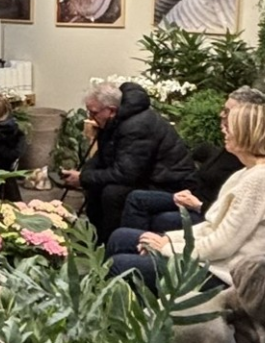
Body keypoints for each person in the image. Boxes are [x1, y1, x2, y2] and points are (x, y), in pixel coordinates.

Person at [106, 100, 265, 290]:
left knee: (119, 265)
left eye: (230, 127)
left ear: (247, 133)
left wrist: (167, 248)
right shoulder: (248, 172)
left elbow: (222, 245)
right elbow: (211, 227)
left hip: (220, 272)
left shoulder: (261, 181)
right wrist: (168, 239)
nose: (224, 130)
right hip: (209, 258)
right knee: (121, 237)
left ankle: (128, 306)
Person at [121, 86, 265, 234]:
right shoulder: (230, 149)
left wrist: (198, 205)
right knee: (136, 198)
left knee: (157, 221)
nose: (221, 114)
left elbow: (228, 219)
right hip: (193, 198)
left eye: (227, 112)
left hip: (204, 211)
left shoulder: (249, 165)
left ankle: (137, 245)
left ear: (246, 119)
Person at [63, 80, 197, 244]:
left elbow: (126, 174)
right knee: (96, 185)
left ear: (111, 110)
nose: (90, 118)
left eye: (94, 113)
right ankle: (97, 240)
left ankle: (113, 244)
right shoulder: (116, 120)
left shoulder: (136, 126)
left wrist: (83, 178)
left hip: (169, 183)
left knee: (112, 193)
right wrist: (84, 175)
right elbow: (102, 156)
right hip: (146, 175)